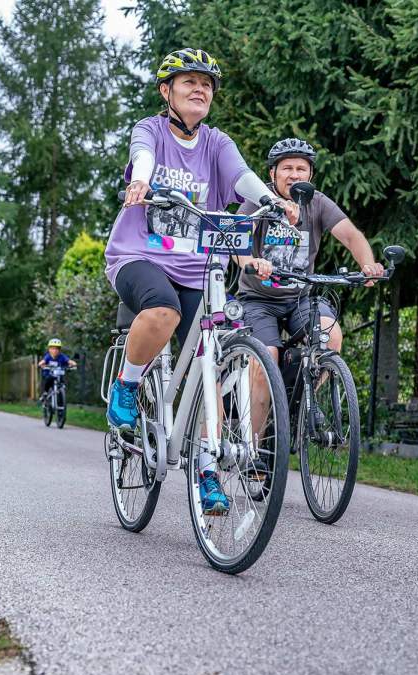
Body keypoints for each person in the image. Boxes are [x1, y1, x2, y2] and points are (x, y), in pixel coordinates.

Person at [103, 48, 297, 515]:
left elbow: (243, 176)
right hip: (138, 257)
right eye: (189, 81)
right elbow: (142, 157)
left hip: (197, 267)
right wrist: (142, 182)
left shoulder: (216, 142)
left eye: (207, 84)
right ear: (166, 91)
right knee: (163, 311)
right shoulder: (150, 130)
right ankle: (127, 387)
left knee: (215, 358)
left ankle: (207, 471)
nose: (200, 89)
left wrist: (272, 199)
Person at [235, 138, 384, 431]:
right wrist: (250, 263)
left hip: (299, 299)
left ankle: (301, 408)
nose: (295, 174)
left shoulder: (317, 203)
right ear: (273, 174)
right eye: (287, 168)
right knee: (266, 360)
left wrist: (368, 264)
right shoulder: (259, 199)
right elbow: (239, 240)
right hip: (258, 300)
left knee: (331, 338)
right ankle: (256, 449)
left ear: (310, 175)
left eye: (301, 169)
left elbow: (351, 235)